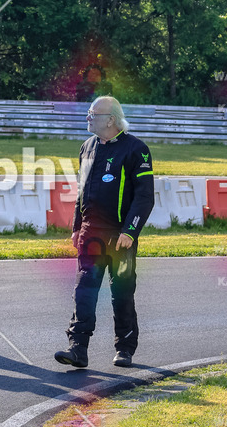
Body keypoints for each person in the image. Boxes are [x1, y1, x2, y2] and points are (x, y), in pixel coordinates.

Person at [55, 96, 154, 369]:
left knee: (121, 293)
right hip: (90, 234)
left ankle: (124, 348)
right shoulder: (86, 147)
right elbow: (81, 191)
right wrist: (77, 226)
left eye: (93, 113)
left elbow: (145, 198)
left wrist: (130, 231)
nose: (88, 117)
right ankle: (77, 348)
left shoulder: (137, 149)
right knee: (84, 291)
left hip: (120, 236)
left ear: (111, 119)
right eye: (88, 112)